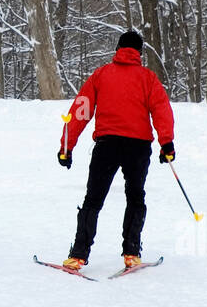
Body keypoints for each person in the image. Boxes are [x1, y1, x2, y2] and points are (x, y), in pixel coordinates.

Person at [56, 29, 174, 271]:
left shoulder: (101, 75)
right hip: (138, 147)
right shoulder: (148, 78)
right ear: (139, 52)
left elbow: (81, 109)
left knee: (93, 199)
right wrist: (167, 143)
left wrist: (66, 147)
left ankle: (78, 255)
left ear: (118, 49)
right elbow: (161, 110)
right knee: (135, 196)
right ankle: (131, 252)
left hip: (106, 145)